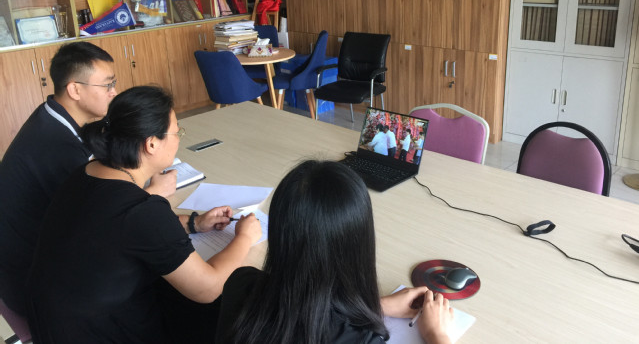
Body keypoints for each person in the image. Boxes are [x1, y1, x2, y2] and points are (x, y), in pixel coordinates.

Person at [26, 86, 262, 343]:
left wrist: (194, 222)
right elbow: (207, 288)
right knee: (231, 307)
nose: (178, 139)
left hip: (53, 320)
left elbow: (124, 229)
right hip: (96, 332)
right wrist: (245, 238)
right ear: (151, 143)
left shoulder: (88, 171)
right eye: (177, 132)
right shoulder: (142, 210)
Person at [214, 160, 453, 344]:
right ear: (359, 244)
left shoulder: (240, 284)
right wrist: (436, 334)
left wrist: (373, 308)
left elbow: (302, 310)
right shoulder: (361, 340)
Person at [0, 42, 119, 316]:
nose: (114, 92)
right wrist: (155, 192)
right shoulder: (57, 148)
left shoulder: (50, 115)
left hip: (28, 261)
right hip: (35, 285)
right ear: (75, 90)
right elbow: (103, 223)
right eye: (107, 85)